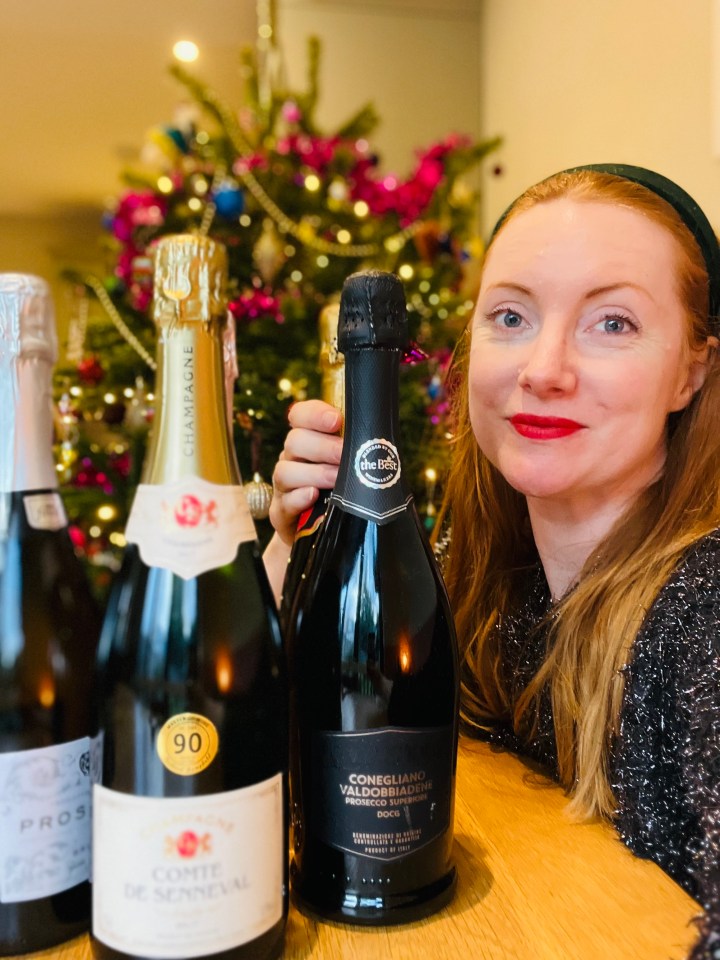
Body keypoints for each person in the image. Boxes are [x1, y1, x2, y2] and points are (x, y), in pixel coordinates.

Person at [264, 164, 720, 959]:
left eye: (611, 323)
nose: (543, 368)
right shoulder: (466, 565)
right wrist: (288, 548)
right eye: (510, 315)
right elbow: (265, 729)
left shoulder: (704, 609)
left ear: (692, 370)